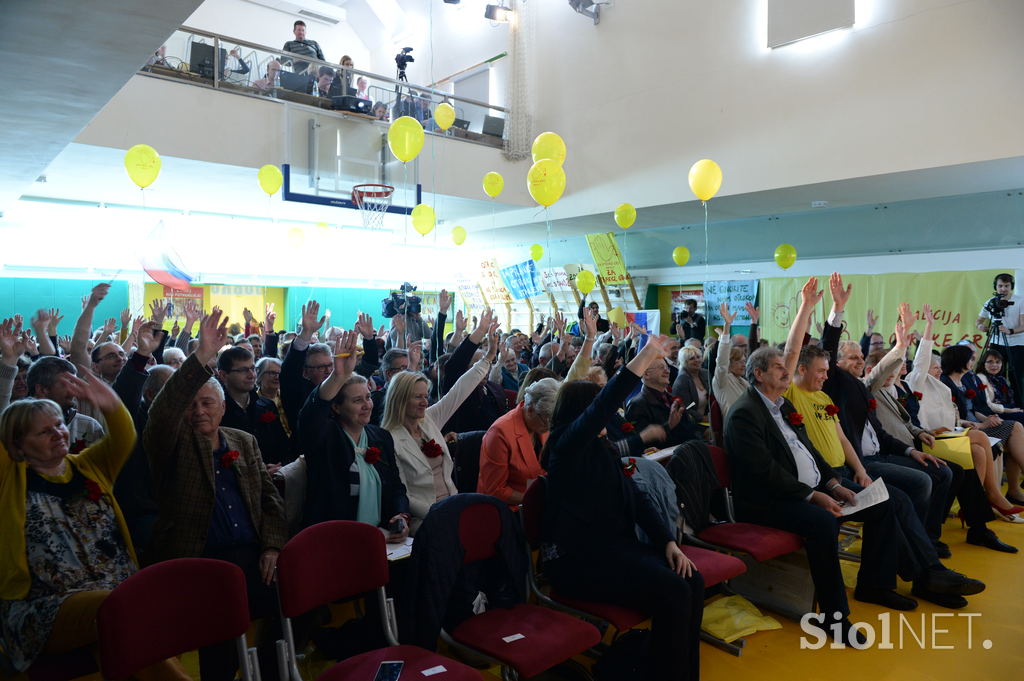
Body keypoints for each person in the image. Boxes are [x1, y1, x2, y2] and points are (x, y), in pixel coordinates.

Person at [0, 365, 190, 681]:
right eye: (44, 432)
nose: (58, 433)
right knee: (118, 610)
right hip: (43, 608)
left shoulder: (89, 465)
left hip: (116, 598)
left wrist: (110, 404)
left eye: (59, 425)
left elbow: (124, 434)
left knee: (125, 643)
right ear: (17, 446)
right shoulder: (9, 478)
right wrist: (8, 362)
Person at [726, 346, 926, 645]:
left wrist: (833, 483)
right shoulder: (745, 413)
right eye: (779, 367)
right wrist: (812, 496)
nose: (786, 371)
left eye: (785, 366)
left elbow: (809, 450)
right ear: (759, 374)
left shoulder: (780, 406)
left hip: (806, 489)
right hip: (767, 500)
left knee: (881, 503)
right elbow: (764, 471)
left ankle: (875, 585)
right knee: (822, 522)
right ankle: (835, 618)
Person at [143, 309, 299, 681]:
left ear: (223, 407)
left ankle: (264, 670)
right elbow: (164, 412)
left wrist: (273, 548)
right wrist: (199, 359)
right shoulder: (171, 442)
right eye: (190, 405)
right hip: (199, 560)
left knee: (301, 599)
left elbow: (270, 501)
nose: (197, 411)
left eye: (207, 403)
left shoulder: (244, 442)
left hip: (252, 555)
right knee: (222, 634)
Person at [541, 335, 703, 681]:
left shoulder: (603, 449)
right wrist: (644, 356)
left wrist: (668, 543)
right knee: (674, 591)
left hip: (612, 549)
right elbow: (604, 405)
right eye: (599, 409)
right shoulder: (564, 446)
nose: (610, 414)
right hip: (575, 560)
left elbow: (638, 500)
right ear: (581, 415)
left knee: (693, 579)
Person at [383, 313, 499, 535]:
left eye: (426, 396)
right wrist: (444, 513)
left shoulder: (428, 420)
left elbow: (459, 390)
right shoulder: (388, 437)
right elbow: (402, 493)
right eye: (417, 397)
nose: (425, 402)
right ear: (399, 398)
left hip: (453, 505)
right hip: (424, 519)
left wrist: (489, 357)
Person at [297, 331, 410, 538]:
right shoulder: (325, 437)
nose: (367, 405)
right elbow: (310, 416)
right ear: (336, 408)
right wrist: (337, 377)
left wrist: (400, 515)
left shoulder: (381, 437)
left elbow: (396, 486)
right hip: (333, 537)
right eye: (357, 400)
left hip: (381, 535)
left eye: (368, 397)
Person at [940, 343, 1024, 519]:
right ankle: (993, 497)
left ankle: (999, 495)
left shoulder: (963, 380)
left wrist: (987, 420)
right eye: (969, 358)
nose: (972, 361)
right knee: (1005, 437)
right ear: (959, 361)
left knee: (1013, 429)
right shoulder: (945, 383)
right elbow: (953, 417)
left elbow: (974, 408)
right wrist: (984, 424)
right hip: (966, 429)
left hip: (975, 424)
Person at [478, 378, 558, 510]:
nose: (549, 426)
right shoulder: (499, 433)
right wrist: (536, 498)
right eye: (546, 421)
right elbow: (496, 490)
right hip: (507, 510)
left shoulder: (542, 422)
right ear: (530, 410)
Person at [217, 347, 294, 470]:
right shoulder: (218, 411)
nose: (251, 375)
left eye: (253, 369)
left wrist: (280, 466)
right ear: (224, 375)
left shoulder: (266, 405)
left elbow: (282, 445)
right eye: (243, 370)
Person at [625, 348, 698, 448]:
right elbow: (646, 444)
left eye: (667, 367)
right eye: (661, 367)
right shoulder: (637, 405)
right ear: (647, 374)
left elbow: (692, 427)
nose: (667, 371)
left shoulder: (672, 398)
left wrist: (703, 446)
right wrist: (668, 426)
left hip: (689, 450)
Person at [27, 357, 103, 452]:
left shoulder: (90, 426)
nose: (74, 389)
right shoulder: (23, 424)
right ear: (42, 390)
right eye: (67, 383)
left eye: (74, 383)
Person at [976, 272, 1024, 398]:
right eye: (1000, 286)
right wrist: (980, 326)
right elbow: (979, 320)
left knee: (1016, 377)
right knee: (995, 376)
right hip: (997, 343)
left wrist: (1010, 331)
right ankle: (996, 402)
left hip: (1017, 345)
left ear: (1011, 286)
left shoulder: (1020, 301)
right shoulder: (991, 302)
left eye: (1006, 286)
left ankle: (1018, 407)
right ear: (995, 287)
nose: (1003, 289)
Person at [711, 302, 749, 421]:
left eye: (744, 361)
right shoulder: (722, 380)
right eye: (739, 362)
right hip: (735, 428)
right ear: (729, 365)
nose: (743, 365)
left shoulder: (743, 381)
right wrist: (727, 326)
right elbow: (721, 360)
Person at [670, 345, 710, 423]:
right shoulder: (682, 380)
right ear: (684, 362)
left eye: (698, 357)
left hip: (707, 418)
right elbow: (685, 408)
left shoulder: (705, 373)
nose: (697, 360)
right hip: (690, 422)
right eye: (692, 358)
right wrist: (704, 418)